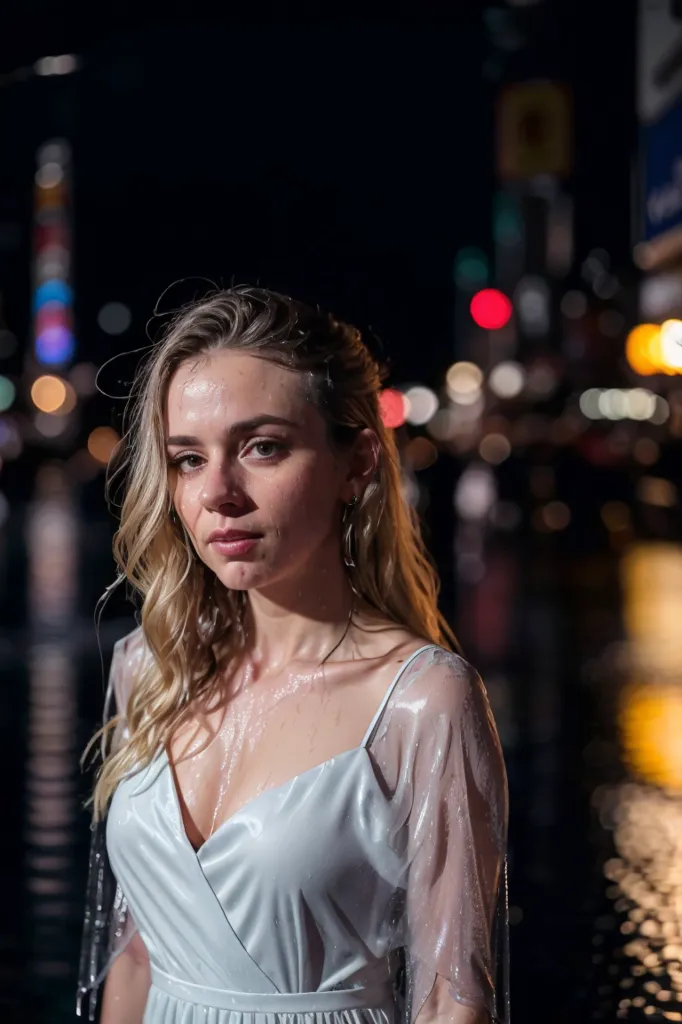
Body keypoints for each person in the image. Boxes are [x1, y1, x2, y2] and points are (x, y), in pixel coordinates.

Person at [77, 285, 510, 1024]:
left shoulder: (419, 699)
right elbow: (138, 952)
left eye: (262, 447)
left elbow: (451, 996)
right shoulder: (149, 668)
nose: (217, 492)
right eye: (187, 458)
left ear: (357, 463)